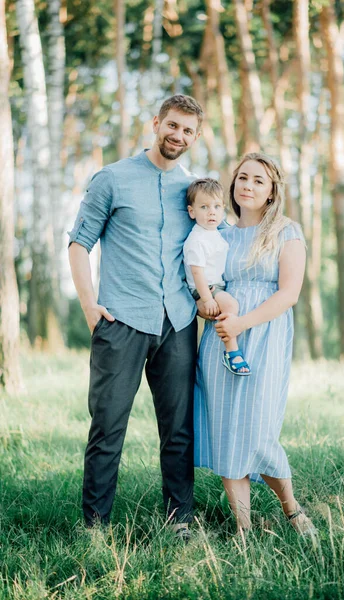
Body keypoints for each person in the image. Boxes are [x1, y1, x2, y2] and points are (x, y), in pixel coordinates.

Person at [68, 94, 204, 540]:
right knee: (108, 426)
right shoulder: (113, 179)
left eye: (187, 130)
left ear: (195, 137)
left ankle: (179, 521)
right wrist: (90, 305)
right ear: (155, 123)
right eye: (172, 125)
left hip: (179, 322)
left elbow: (216, 246)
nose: (177, 136)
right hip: (122, 319)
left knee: (179, 430)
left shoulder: (195, 191)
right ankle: (95, 528)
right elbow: (79, 243)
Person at [194, 152, 317, 536]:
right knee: (228, 429)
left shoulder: (286, 231)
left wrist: (242, 322)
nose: (248, 185)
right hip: (220, 344)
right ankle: (243, 530)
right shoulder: (219, 235)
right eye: (242, 178)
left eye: (258, 181)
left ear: (271, 192)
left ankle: (293, 511)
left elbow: (289, 293)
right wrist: (209, 307)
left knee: (259, 429)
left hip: (264, 336)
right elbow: (204, 289)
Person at [183, 178, 251, 376]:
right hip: (204, 287)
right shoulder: (197, 239)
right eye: (204, 207)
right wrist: (206, 299)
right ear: (192, 211)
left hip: (213, 285)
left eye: (216, 206)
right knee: (231, 306)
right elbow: (197, 272)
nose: (211, 212)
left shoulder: (215, 233)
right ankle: (232, 352)